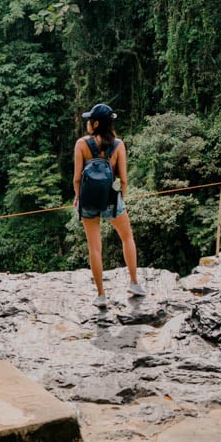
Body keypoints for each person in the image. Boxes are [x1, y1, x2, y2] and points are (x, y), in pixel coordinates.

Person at [73, 102, 146, 307]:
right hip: (111, 200)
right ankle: (134, 283)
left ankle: (101, 295)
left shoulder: (81, 144)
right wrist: (121, 199)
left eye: (90, 120)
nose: (88, 123)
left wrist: (78, 197)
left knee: (95, 248)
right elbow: (124, 179)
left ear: (96, 123)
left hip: (88, 201)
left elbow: (77, 179)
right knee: (127, 237)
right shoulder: (118, 145)